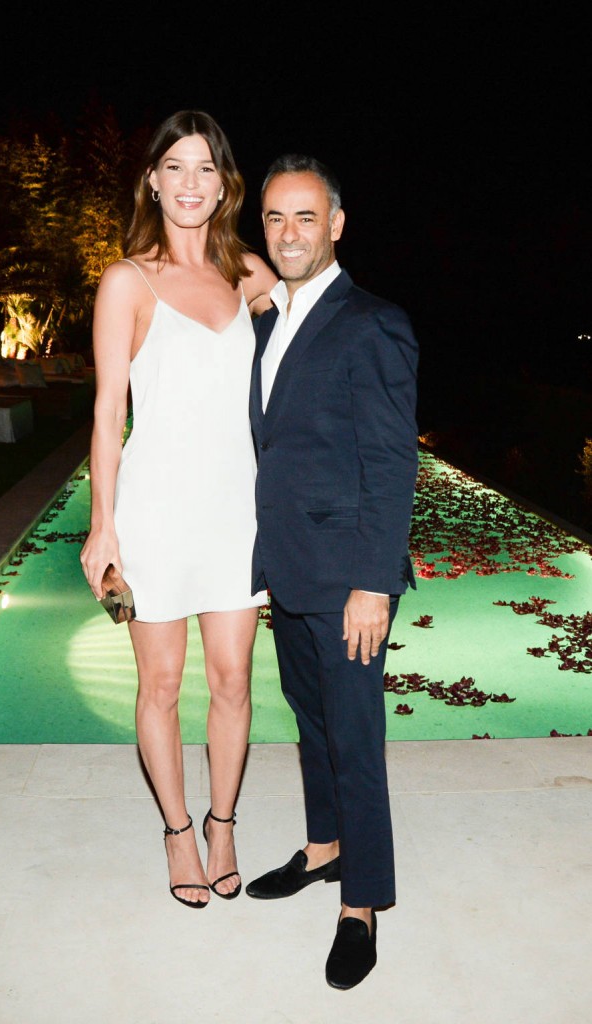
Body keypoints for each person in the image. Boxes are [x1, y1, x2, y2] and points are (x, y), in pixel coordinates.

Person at [80, 111, 277, 909]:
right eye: (176, 167)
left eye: (206, 168)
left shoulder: (249, 274)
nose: (191, 183)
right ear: (153, 182)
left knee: (233, 681)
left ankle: (222, 824)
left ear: (225, 185)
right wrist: (103, 526)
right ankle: (177, 831)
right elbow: (107, 414)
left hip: (237, 512)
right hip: (155, 512)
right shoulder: (127, 281)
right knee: (160, 685)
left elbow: (309, 333)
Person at [245, 155, 418, 989]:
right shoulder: (270, 322)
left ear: (337, 225)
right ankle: (323, 848)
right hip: (290, 567)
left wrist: (374, 584)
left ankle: (362, 903)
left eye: (306, 216)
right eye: (275, 217)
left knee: (355, 739)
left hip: (349, 578)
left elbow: (390, 463)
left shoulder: (372, 323)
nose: (289, 233)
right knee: (312, 723)